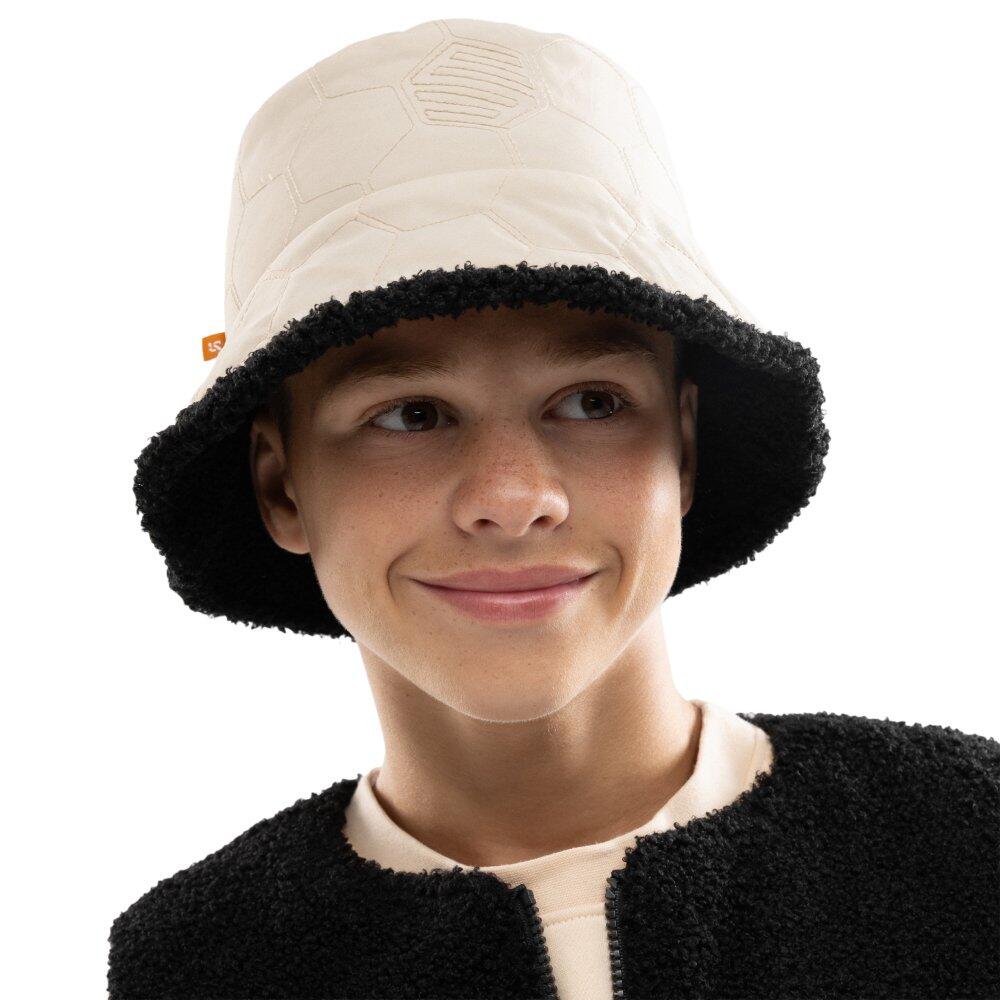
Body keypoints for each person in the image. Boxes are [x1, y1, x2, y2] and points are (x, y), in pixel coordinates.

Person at [109, 17, 999, 1000]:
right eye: (412, 414)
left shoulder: (966, 846)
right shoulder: (198, 966)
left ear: (684, 448)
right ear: (282, 486)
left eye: (591, 403)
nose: (513, 498)